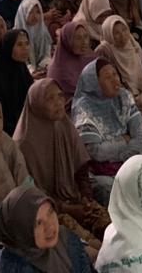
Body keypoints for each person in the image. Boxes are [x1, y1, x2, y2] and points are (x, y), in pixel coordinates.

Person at [13, 78, 112, 239]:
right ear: (37, 104)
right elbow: (32, 193)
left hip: (74, 197)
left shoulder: (63, 124)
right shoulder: (24, 144)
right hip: (47, 210)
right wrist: (67, 209)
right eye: (50, 99)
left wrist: (86, 197)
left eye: (60, 96)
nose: (58, 103)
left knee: (110, 228)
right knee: (87, 243)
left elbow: (81, 168)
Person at [70, 58, 142, 196]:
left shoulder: (123, 96)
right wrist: (124, 141)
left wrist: (122, 154)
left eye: (115, 74)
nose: (115, 80)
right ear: (94, 83)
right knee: (110, 189)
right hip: (100, 170)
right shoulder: (84, 107)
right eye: (107, 77)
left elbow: (140, 138)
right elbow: (95, 152)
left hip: (129, 159)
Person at [0, 186, 93, 273]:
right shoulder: (9, 268)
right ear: (21, 231)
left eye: (50, 212)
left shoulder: (66, 239)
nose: (50, 226)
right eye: (38, 223)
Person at [99, 14, 142, 122]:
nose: (122, 35)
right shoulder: (106, 50)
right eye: (116, 33)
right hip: (125, 97)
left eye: (124, 30)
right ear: (109, 35)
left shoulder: (132, 44)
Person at [0, 29, 36, 133]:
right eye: (19, 44)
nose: (25, 48)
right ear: (8, 48)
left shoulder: (22, 70)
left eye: (27, 43)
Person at [47, 20, 96, 108]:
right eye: (78, 38)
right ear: (67, 40)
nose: (84, 42)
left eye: (85, 37)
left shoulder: (88, 58)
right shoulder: (59, 69)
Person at [16, 0, 53, 72]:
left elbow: (46, 54)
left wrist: (46, 65)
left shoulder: (43, 31)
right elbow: (18, 61)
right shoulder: (15, 36)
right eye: (30, 12)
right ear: (23, 13)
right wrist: (31, 71)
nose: (35, 16)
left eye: (38, 12)